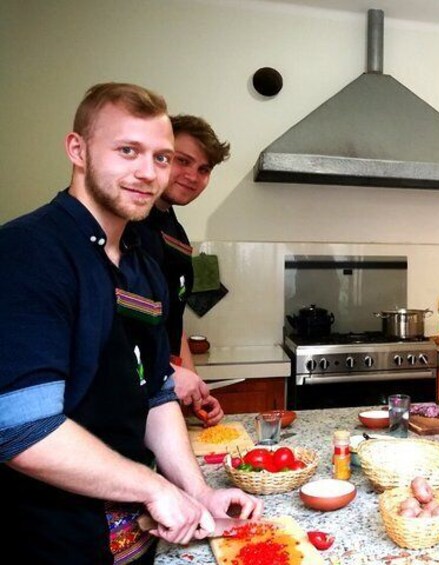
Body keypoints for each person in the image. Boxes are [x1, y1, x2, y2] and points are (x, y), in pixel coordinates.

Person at [0, 83, 262, 564]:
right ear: (77, 150)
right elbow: (20, 427)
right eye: (128, 151)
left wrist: (196, 491)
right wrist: (152, 485)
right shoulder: (27, 252)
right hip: (50, 538)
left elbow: (157, 389)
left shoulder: (142, 262)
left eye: (162, 158)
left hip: (135, 537)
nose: (148, 173)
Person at [137, 114, 230, 427]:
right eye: (183, 161)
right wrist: (168, 375)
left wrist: (194, 387)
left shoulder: (174, 229)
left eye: (203, 169)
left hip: (157, 395)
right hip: (128, 395)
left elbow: (172, 321)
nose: (193, 175)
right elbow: (116, 327)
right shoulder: (129, 224)